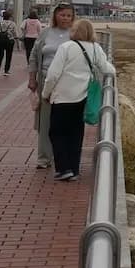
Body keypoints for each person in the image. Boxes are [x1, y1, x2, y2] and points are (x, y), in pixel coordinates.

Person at [41, 19, 115, 181]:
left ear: (74, 31)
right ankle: (74, 169)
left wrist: (45, 94)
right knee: (75, 134)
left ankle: (63, 168)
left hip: (62, 97)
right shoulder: (96, 48)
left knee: (57, 133)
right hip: (82, 97)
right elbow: (107, 68)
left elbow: (53, 75)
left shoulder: (66, 47)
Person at [28, 4, 75, 170]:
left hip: (68, 84)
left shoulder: (76, 34)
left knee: (65, 122)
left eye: (69, 15)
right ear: (55, 16)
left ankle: (63, 156)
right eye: (62, 15)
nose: (65, 18)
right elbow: (34, 55)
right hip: (46, 81)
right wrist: (32, 78)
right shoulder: (45, 33)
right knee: (45, 122)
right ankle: (43, 158)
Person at [0, 10, 18, 76]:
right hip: (9, 41)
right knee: (8, 55)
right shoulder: (12, 24)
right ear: (10, 17)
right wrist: (16, 38)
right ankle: (6, 70)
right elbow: (15, 33)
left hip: (0, 41)